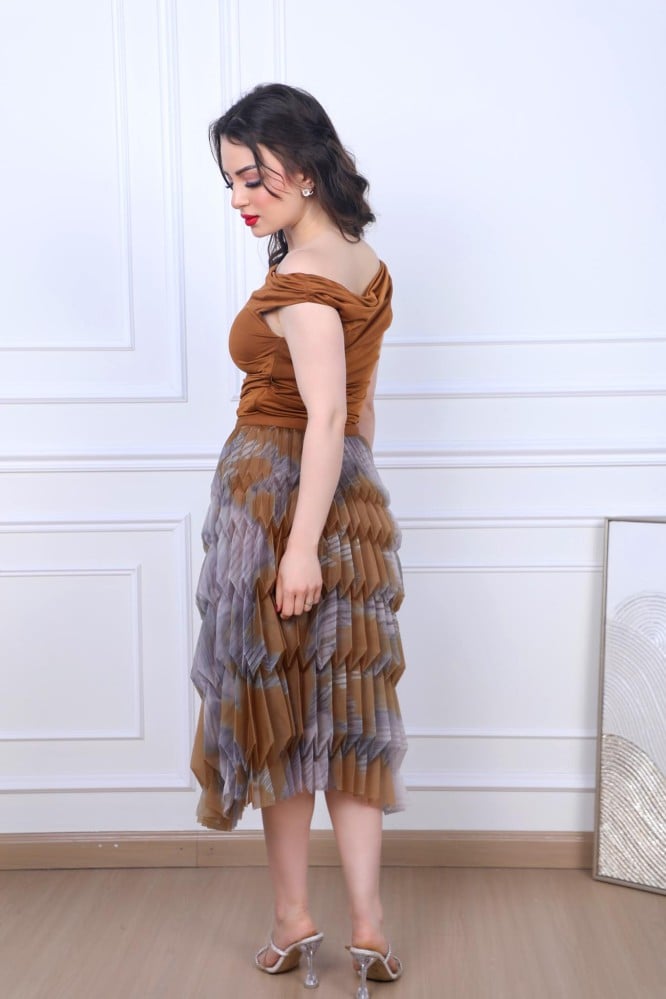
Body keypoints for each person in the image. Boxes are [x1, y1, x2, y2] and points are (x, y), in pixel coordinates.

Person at [190, 83, 407, 996]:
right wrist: (350, 511)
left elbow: (321, 418)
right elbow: (359, 412)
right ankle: (369, 927)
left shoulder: (305, 281)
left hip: (285, 510)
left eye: (254, 177)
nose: (240, 198)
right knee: (345, 720)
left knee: (280, 722)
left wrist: (300, 546)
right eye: (231, 182)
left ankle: (293, 920)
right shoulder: (362, 260)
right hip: (342, 498)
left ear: (306, 168)